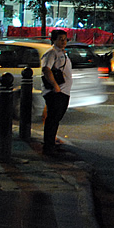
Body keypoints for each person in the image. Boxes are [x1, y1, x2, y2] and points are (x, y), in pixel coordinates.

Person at [41, 29, 73, 157]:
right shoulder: (51, 53)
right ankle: (48, 147)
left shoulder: (63, 53)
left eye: (65, 39)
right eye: (60, 39)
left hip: (63, 91)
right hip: (56, 92)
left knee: (56, 119)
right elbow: (46, 69)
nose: (63, 41)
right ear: (53, 40)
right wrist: (55, 86)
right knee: (52, 119)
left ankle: (51, 144)